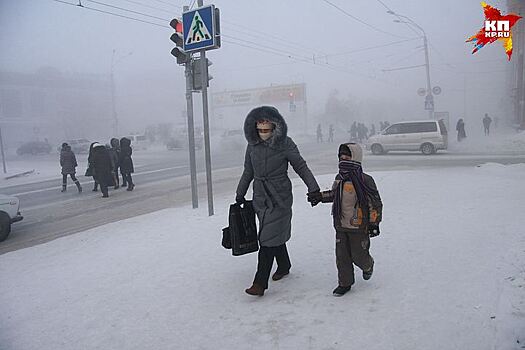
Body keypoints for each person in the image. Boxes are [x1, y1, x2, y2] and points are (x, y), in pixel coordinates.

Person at [236, 106, 320, 296]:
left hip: (279, 197)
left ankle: (260, 282)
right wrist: (240, 193)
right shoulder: (252, 146)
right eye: (259, 129)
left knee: (267, 238)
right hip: (260, 198)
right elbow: (248, 171)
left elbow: (300, 166)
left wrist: (313, 188)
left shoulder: (286, 144)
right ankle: (284, 265)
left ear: (275, 127)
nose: (263, 133)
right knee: (272, 234)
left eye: (267, 129)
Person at [307, 143, 383, 296]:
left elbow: (374, 204)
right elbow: (335, 195)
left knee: (359, 255)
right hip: (341, 224)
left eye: (347, 156)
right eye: (341, 156)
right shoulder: (339, 178)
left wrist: (374, 223)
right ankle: (345, 283)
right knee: (342, 257)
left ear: (355, 157)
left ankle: (368, 265)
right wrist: (320, 197)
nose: (343, 159)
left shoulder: (365, 180)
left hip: (359, 226)